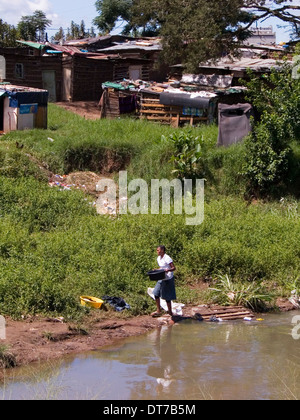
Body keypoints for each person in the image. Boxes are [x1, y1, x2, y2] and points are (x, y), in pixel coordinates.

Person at [151, 245, 176, 318]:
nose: (157, 252)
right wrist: (157, 270)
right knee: (156, 293)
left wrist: (167, 270)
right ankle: (158, 310)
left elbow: (173, 268)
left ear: (162, 251)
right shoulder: (158, 258)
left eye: (158, 250)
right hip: (161, 277)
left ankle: (170, 312)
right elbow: (162, 267)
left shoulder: (167, 258)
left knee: (167, 297)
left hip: (168, 278)